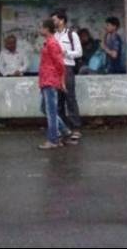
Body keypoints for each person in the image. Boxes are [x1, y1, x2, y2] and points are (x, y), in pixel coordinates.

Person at [37, 19, 76, 150]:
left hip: (50, 80)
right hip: (47, 79)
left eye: (41, 27)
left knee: (51, 111)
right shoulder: (49, 43)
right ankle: (65, 131)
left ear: (47, 29)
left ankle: (53, 139)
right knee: (46, 109)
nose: (40, 29)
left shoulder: (52, 43)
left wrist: (61, 81)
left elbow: (60, 64)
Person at [51, 10, 83, 139]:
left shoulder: (71, 34)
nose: (53, 22)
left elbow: (79, 52)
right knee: (58, 100)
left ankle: (76, 128)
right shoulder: (53, 35)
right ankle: (63, 128)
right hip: (55, 69)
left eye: (55, 20)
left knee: (70, 98)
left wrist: (66, 53)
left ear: (62, 20)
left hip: (67, 67)